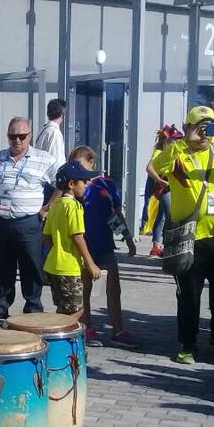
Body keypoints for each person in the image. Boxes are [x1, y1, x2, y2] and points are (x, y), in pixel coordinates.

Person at [151, 105, 214, 364]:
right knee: (189, 297)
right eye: (198, 126)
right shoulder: (177, 152)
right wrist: (183, 143)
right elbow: (153, 166)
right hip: (190, 238)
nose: (205, 131)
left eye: (209, 125)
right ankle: (187, 344)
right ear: (188, 127)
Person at [0, 117, 59, 324]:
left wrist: (47, 208)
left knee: (31, 267)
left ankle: (33, 308)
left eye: (22, 136)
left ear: (29, 136)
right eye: (12, 136)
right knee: (2, 267)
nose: (17, 140)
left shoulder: (43, 158)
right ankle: (0, 307)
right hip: (2, 222)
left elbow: (61, 182)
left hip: (29, 222)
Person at [67, 146, 141, 348]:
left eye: (80, 165)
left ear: (91, 162)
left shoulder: (106, 184)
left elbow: (114, 215)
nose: (77, 170)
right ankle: (86, 327)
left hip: (105, 244)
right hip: (82, 245)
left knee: (113, 288)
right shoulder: (71, 186)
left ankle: (118, 329)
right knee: (84, 289)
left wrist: (127, 238)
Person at [42, 161, 104, 318]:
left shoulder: (54, 206)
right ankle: (55, 336)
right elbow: (77, 236)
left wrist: (58, 250)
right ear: (71, 184)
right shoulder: (74, 206)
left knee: (63, 308)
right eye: (84, 181)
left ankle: (55, 335)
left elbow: (46, 237)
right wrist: (91, 264)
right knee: (77, 310)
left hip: (53, 266)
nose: (86, 184)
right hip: (69, 268)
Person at [143, 125, 180, 257]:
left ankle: (156, 245)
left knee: (162, 217)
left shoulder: (170, 152)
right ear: (168, 141)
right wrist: (159, 180)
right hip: (164, 188)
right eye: (174, 140)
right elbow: (149, 168)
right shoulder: (160, 152)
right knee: (170, 217)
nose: (176, 142)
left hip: (170, 187)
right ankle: (166, 245)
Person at [36, 98, 68, 169]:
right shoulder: (55, 133)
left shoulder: (42, 130)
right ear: (62, 115)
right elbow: (57, 161)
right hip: (51, 176)